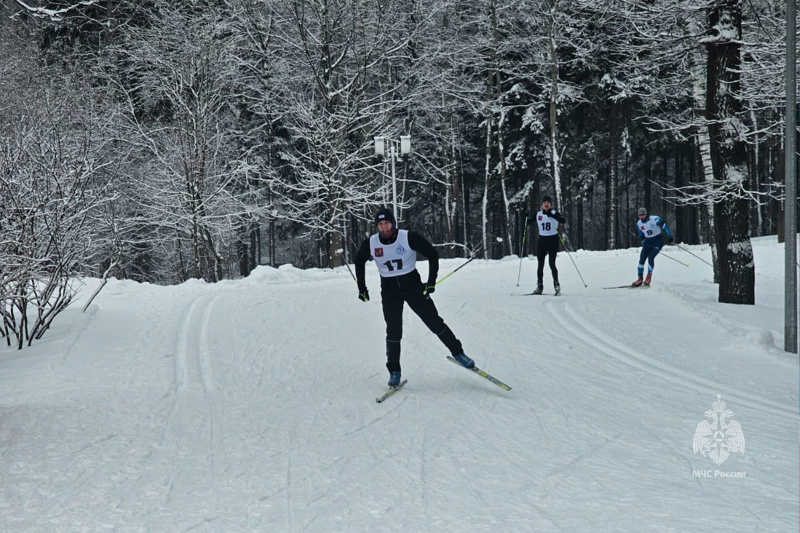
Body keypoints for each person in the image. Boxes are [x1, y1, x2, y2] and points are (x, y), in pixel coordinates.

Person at [355, 208, 474, 387]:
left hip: (413, 286)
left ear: (393, 223)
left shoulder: (407, 237)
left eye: (387, 223)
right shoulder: (371, 242)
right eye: (380, 224)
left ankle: (458, 353)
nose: (384, 227)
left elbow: (432, 254)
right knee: (394, 331)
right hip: (389, 291)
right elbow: (359, 261)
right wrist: (362, 288)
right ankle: (394, 370)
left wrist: (431, 281)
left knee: (434, 321)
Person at [531, 196, 566, 295]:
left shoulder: (554, 213)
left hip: (552, 240)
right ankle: (540, 286)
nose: (546, 204)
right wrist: (525, 217)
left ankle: (556, 285)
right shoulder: (538, 214)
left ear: (550, 204)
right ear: (542, 204)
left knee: (552, 263)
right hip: (542, 240)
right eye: (544, 202)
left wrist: (552, 215)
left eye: (548, 202)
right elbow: (529, 221)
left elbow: (563, 221)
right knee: (540, 264)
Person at [632, 207, 674, 286]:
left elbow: (664, 226)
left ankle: (649, 276)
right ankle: (640, 278)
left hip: (657, 242)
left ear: (646, 214)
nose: (642, 217)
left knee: (651, 257)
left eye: (643, 215)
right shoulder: (638, 223)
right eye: (640, 215)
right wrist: (642, 239)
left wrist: (669, 236)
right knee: (642, 259)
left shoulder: (654, 219)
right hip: (648, 242)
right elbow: (641, 233)